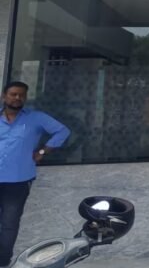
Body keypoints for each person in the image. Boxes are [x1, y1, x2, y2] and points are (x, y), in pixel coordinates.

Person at [0, 81, 70, 267]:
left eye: (21, 95)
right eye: (13, 94)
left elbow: (62, 131)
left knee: (9, 223)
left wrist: (42, 151)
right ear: (4, 96)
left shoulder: (36, 118)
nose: (17, 98)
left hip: (18, 180)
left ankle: (3, 261)